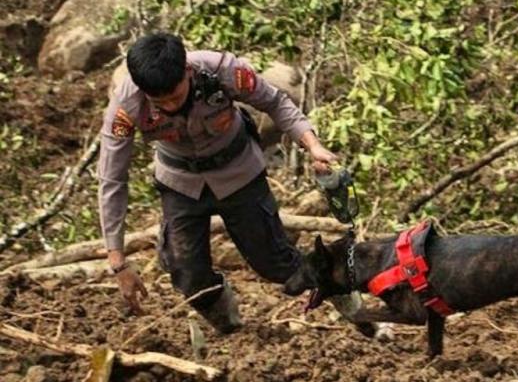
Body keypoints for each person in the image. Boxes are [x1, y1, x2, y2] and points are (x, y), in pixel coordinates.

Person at [98, 33, 363, 334]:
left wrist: (312, 144)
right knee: (187, 274)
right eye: (161, 102)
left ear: (186, 72)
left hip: (238, 172)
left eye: (176, 95)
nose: (170, 105)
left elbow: (275, 102)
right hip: (180, 183)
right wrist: (118, 261)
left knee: (275, 264)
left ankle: (348, 298)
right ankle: (231, 330)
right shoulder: (126, 105)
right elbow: (112, 178)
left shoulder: (222, 71)